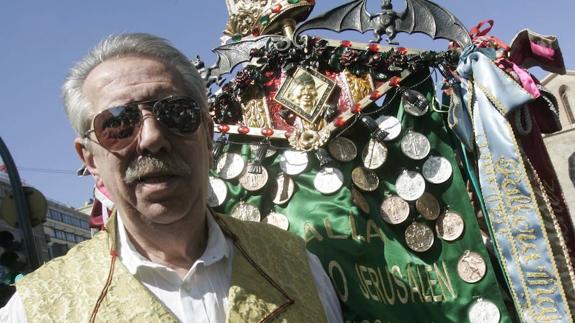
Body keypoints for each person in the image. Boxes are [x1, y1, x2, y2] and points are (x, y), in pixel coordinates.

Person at [0, 33, 342, 322]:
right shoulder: (34, 309)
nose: (152, 138)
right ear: (90, 158)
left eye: (176, 113)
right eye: (118, 123)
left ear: (208, 135)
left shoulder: (299, 266)